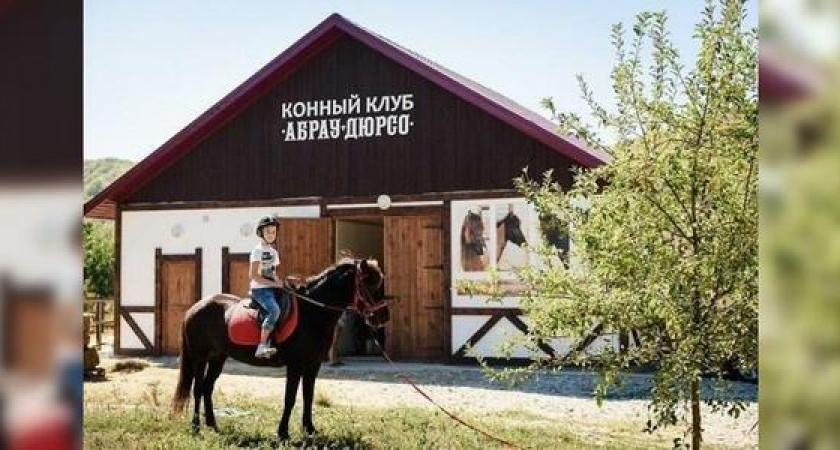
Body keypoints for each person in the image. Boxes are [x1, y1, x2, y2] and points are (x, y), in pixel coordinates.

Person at [250, 215, 286, 358]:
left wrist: (280, 282)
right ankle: (262, 345)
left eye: (273, 232)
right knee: (274, 310)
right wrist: (274, 284)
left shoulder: (273, 252)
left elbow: (272, 272)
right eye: (268, 231)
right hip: (259, 289)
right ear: (261, 233)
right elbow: (253, 275)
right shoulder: (257, 251)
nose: (271, 234)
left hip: (271, 287)